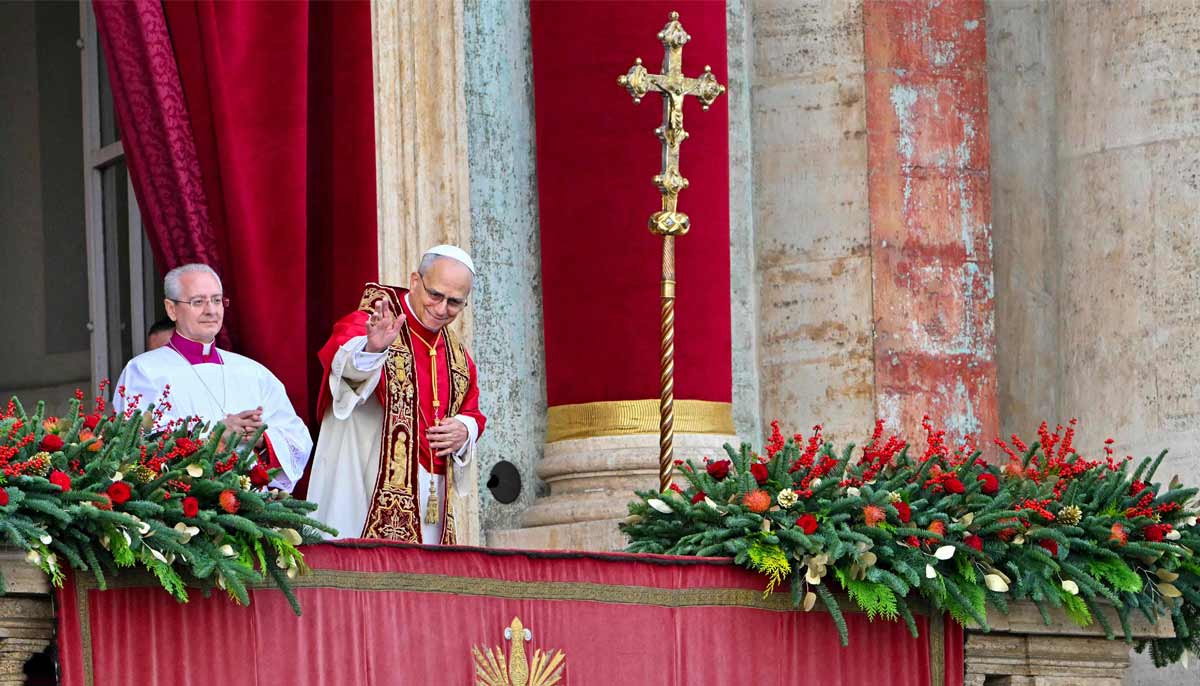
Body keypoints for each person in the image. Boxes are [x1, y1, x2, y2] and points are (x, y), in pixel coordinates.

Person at [307, 245, 486, 543]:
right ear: (415, 281)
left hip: (430, 499)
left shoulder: (457, 356)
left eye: (454, 302)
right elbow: (342, 373)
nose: (442, 309)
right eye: (435, 295)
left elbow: (473, 412)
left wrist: (464, 430)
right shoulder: (372, 321)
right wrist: (372, 350)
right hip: (362, 486)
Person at [114, 264, 312, 492]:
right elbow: (136, 444)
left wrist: (259, 439)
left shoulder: (253, 372)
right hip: (180, 511)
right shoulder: (144, 371)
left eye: (217, 300)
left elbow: (297, 438)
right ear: (172, 309)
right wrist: (216, 436)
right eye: (198, 302)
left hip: (251, 509)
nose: (212, 311)